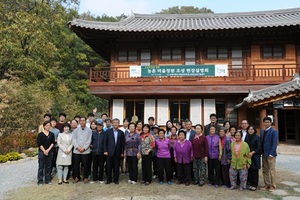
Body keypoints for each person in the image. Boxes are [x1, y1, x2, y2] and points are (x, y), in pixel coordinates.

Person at [104, 118, 125, 184]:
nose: (116, 124)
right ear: (112, 124)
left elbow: (122, 143)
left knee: (116, 167)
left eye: (117, 122)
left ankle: (116, 179)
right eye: (114, 122)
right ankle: (109, 179)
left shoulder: (121, 133)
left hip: (118, 152)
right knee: (109, 166)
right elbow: (105, 142)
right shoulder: (108, 131)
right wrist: (105, 150)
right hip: (109, 152)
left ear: (119, 124)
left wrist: (122, 152)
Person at [72, 117, 92, 183]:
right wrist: (78, 147)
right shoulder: (76, 130)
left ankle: (85, 177)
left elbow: (89, 140)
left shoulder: (89, 130)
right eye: (81, 121)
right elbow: (74, 139)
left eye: (84, 121)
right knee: (76, 164)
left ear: (85, 122)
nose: (82, 122)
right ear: (79, 122)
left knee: (86, 164)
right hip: (77, 151)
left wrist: (84, 148)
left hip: (85, 151)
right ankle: (76, 177)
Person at [260, 117, 278, 191]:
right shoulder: (262, 131)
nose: (266, 123)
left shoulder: (274, 131)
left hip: (271, 154)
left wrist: (272, 153)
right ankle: (266, 184)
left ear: (270, 123)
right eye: (265, 122)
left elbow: (275, 143)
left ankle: (273, 185)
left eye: (268, 122)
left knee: (271, 170)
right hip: (264, 153)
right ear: (263, 123)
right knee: (265, 170)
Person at [37, 121, 55, 185]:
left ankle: (48, 180)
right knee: (41, 167)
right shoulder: (40, 134)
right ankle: (40, 181)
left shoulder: (52, 134)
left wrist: (48, 150)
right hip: (42, 152)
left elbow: (53, 143)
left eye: (49, 125)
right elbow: (39, 143)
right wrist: (44, 151)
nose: (48, 126)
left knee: (48, 166)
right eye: (47, 125)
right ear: (44, 126)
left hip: (50, 152)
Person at [245, 125, 261, 191]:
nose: (250, 131)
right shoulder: (247, 137)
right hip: (248, 156)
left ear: (254, 130)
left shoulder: (257, 137)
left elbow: (259, 147)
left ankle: (254, 185)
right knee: (249, 170)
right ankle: (250, 183)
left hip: (255, 156)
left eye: (252, 129)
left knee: (254, 171)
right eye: (249, 129)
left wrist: (252, 152)